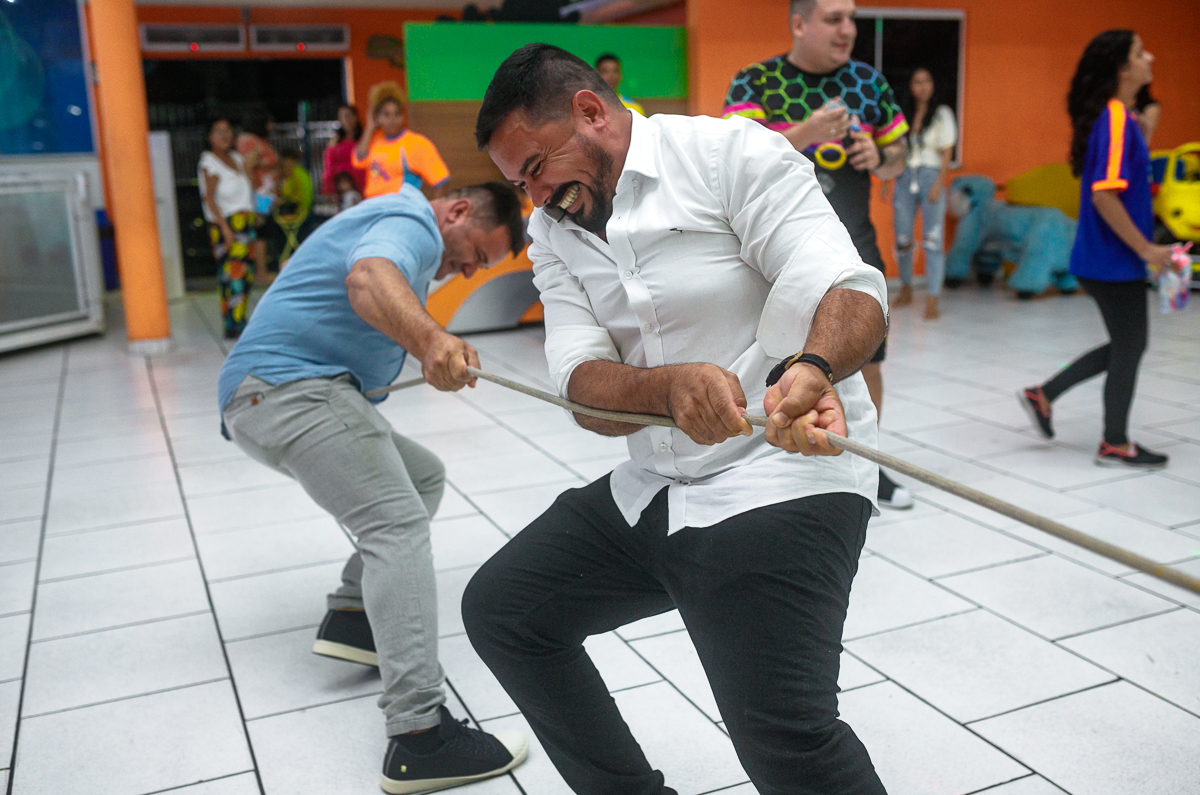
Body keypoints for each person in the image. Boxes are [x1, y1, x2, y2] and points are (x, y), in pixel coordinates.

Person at [467, 43, 890, 795]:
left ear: (590, 113)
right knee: (505, 610)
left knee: (783, 735)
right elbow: (577, 379)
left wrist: (815, 367)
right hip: (659, 484)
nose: (533, 196)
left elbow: (846, 285)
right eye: (516, 183)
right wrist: (666, 390)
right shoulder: (554, 233)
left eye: (535, 168)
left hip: (782, 474)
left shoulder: (726, 155)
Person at [217, 181, 530, 793]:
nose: (467, 268)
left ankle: (353, 617)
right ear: (457, 211)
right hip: (287, 389)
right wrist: (433, 340)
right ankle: (420, 738)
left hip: (271, 390)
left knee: (421, 477)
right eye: (474, 253)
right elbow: (366, 279)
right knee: (396, 525)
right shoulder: (410, 218)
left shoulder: (396, 230)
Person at [723, 0, 912, 509]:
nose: (847, 29)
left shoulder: (868, 83)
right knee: (768, 354)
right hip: (769, 256)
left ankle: (866, 462)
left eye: (851, 18)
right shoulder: (756, 82)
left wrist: (883, 158)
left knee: (866, 355)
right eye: (833, 19)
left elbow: (900, 152)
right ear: (800, 24)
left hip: (854, 245)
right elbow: (732, 158)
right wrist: (807, 132)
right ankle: (764, 461)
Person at [1019, 30, 1172, 469]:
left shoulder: (1121, 118)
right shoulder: (1117, 120)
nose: (1150, 58)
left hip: (1107, 257)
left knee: (1128, 344)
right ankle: (1114, 443)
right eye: (1141, 53)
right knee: (1131, 344)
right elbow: (1106, 195)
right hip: (1112, 260)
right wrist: (1146, 249)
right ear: (1123, 69)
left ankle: (1043, 395)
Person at [890, 67, 957, 320]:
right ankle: (906, 287)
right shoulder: (903, 113)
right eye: (917, 82)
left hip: (931, 176)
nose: (922, 86)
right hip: (905, 176)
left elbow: (947, 151)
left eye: (926, 81)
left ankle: (932, 297)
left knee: (932, 239)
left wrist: (940, 183)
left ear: (933, 84)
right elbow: (896, 146)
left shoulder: (942, 114)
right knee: (903, 236)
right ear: (911, 86)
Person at [198, 116, 257, 338]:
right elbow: (209, 198)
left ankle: (240, 319)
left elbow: (249, 186)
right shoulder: (209, 162)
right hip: (227, 224)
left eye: (228, 130)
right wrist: (224, 228)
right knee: (232, 275)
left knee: (245, 274)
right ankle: (232, 324)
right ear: (209, 137)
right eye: (219, 131)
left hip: (245, 221)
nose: (225, 135)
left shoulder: (236, 158)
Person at [354, 81, 451, 200]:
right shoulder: (375, 141)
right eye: (386, 114)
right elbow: (359, 159)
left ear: (403, 116)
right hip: (374, 207)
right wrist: (369, 127)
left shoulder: (415, 143)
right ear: (377, 117)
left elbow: (441, 181)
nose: (392, 120)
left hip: (401, 208)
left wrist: (433, 213)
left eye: (397, 114)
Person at [237, 109, 279, 284]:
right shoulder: (250, 141)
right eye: (269, 122)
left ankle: (261, 271)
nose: (272, 126)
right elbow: (248, 166)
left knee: (263, 231)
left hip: (264, 194)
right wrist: (253, 193)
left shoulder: (257, 140)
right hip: (259, 195)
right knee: (261, 232)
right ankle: (260, 272)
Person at [271, 147, 314, 267]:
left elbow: (303, 199)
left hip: (300, 214)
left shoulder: (299, 174)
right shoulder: (287, 177)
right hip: (292, 213)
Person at [322, 104, 367, 198]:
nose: (346, 120)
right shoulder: (335, 142)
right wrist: (328, 188)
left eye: (348, 116)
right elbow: (328, 166)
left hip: (362, 186)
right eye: (341, 117)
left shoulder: (365, 139)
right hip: (342, 189)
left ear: (356, 117)